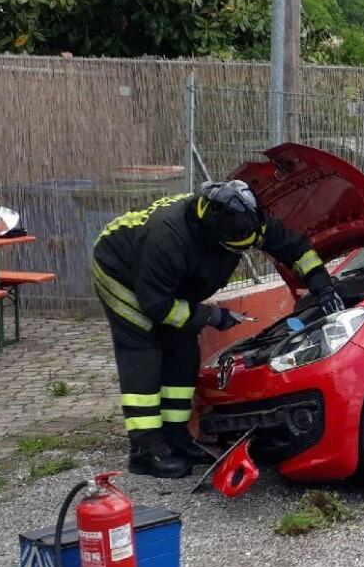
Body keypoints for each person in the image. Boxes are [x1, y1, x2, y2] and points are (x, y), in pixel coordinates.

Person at [93, 180, 344, 478]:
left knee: (184, 348)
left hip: (167, 286)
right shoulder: (167, 239)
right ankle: (146, 450)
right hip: (121, 272)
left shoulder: (246, 221)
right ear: (212, 233)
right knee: (143, 352)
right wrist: (211, 316)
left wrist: (322, 285)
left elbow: (296, 249)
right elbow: (157, 307)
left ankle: (176, 437)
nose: (245, 251)